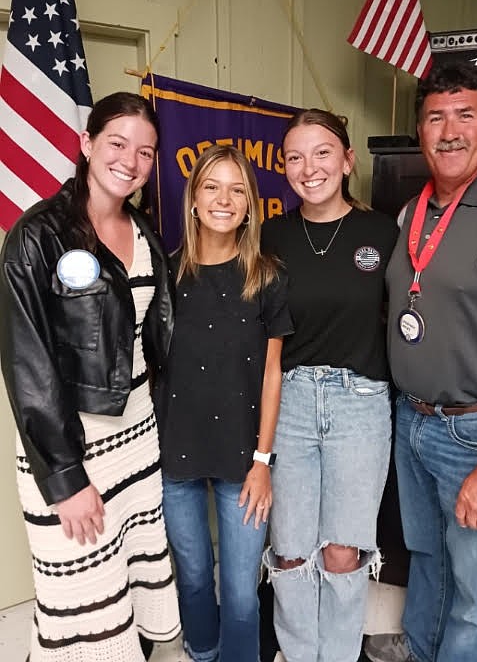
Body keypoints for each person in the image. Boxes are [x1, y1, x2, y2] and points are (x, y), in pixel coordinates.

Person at [366, 62, 477, 662]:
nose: (450, 130)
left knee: (476, 595)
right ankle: (419, 652)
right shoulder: (410, 213)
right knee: (429, 566)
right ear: (421, 131)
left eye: (465, 115)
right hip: (413, 423)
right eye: (436, 117)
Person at [0, 92, 181, 662]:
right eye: (118, 143)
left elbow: (154, 339)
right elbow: (28, 367)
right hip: (73, 448)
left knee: (129, 584)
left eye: (146, 152)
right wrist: (64, 478)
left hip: (136, 438)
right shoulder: (36, 237)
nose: (131, 160)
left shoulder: (145, 231)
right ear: (86, 144)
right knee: (79, 605)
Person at [261, 109, 398, 662]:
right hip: (290, 400)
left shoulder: (382, 232)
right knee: (291, 552)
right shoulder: (272, 234)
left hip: (360, 404)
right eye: (295, 156)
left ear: (346, 160)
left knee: (343, 552)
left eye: (321, 153)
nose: (308, 167)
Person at [157, 144, 293, 662]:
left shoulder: (267, 276)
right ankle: (202, 652)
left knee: (239, 592)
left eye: (238, 189)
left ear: (251, 205)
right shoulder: (168, 275)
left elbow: (271, 372)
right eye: (212, 186)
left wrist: (262, 461)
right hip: (178, 453)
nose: (224, 198)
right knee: (192, 577)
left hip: (244, 457)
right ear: (193, 199)